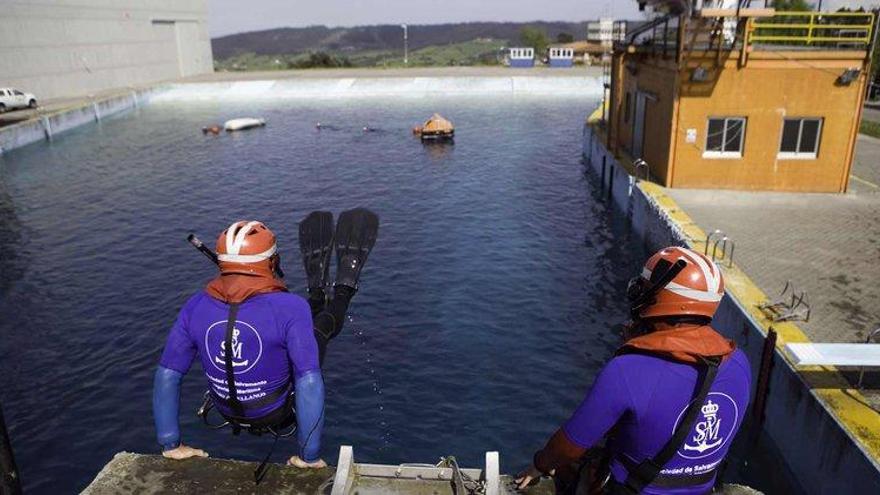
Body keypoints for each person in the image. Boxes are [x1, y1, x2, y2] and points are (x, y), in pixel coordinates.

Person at [152, 209, 379, 469]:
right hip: (275, 412)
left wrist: (170, 443)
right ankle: (342, 291)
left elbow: (167, 375)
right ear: (271, 263)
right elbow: (309, 382)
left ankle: (316, 295)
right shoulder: (290, 308)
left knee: (299, 323)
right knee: (321, 331)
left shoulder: (194, 306)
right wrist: (309, 455)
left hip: (224, 410)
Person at [517, 246, 751, 494]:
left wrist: (539, 464)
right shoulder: (739, 362)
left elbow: (571, 443)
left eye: (643, 288)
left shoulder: (626, 369)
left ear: (659, 298)